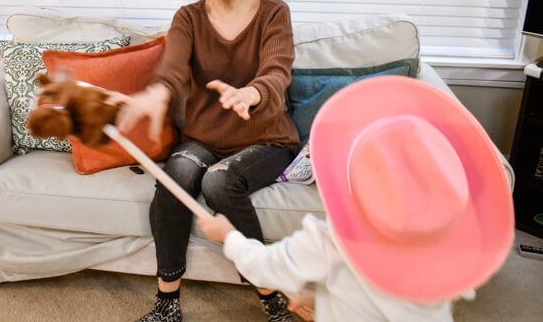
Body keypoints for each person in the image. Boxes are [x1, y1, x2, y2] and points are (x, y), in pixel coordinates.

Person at [198, 75, 515, 322]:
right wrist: (322, 302)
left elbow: (263, 266)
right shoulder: (446, 262)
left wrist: (228, 236)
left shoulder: (329, 241)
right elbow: (376, 302)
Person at [113, 0, 301, 322]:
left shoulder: (273, 12)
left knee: (219, 181)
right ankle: (167, 304)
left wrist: (251, 92)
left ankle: (271, 297)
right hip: (204, 137)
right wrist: (156, 96)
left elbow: (277, 68)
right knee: (173, 177)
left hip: (265, 137)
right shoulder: (189, 17)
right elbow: (172, 70)